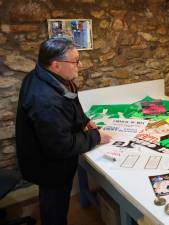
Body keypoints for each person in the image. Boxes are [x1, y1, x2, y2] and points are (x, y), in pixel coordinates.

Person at [15, 38, 111, 225]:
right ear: (56, 65)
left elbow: (72, 101)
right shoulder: (45, 100)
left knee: (55, 201)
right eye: (75, 61)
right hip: (49, 166)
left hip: (51, 157)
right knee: (55, 207)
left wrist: (85, 121)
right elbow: (62, 146)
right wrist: (96, 136)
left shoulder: (49, 75)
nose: (80, 65)